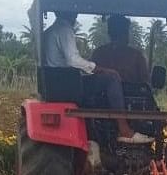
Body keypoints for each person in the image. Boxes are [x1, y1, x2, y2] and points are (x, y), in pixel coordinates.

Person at [43, 11, 153, 144]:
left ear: (109, 32)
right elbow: (73, 60)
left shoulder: (51, 31)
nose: (76, 15)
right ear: (126, 32)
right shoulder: (64, 29)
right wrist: (101, 69)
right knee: (111, 78)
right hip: (67, 83)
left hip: (57, 83)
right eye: (75, 12)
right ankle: (124, 129)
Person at [90, 15, 150, 84]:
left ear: (109, 33)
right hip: (128, 94)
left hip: (128, 94)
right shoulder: (136, 56)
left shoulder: (98, 54)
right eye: (126, 31)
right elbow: (145, 82)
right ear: (125, 33)